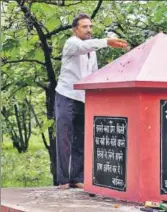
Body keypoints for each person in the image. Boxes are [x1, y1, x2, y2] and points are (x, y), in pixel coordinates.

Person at [55, 13, 128, 189]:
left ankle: (77, 177)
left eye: (90, 27)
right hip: (66, 95)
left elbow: (93, 74)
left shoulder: (91, 52)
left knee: (82, 138)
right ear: (75, 29)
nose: (89, 30)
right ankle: (63, 180)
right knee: (64, 139)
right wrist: (107, 42)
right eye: (84, 27)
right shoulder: (72, 43)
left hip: (83, 98)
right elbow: (84, 46)